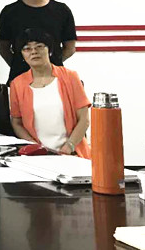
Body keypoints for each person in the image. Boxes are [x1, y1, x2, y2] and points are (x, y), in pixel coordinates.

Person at [9, 29, 91, 157]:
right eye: (27, 49)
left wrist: (69, 146)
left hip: (73, 154)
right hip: (37, 156)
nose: (34, 52)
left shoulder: (70, 77)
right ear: (22, 55)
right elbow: (16, 122)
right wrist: (34, 146)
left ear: (50, 50)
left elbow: (84, 119)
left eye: (39, 46)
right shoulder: (17, 84)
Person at [0, 0, 76, 84]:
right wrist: (22, 65)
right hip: (19, 79)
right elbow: (4, 49)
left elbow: (70, 48)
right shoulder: (9, 12)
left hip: (55, 80)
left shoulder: (62, 10)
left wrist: (48, 64)